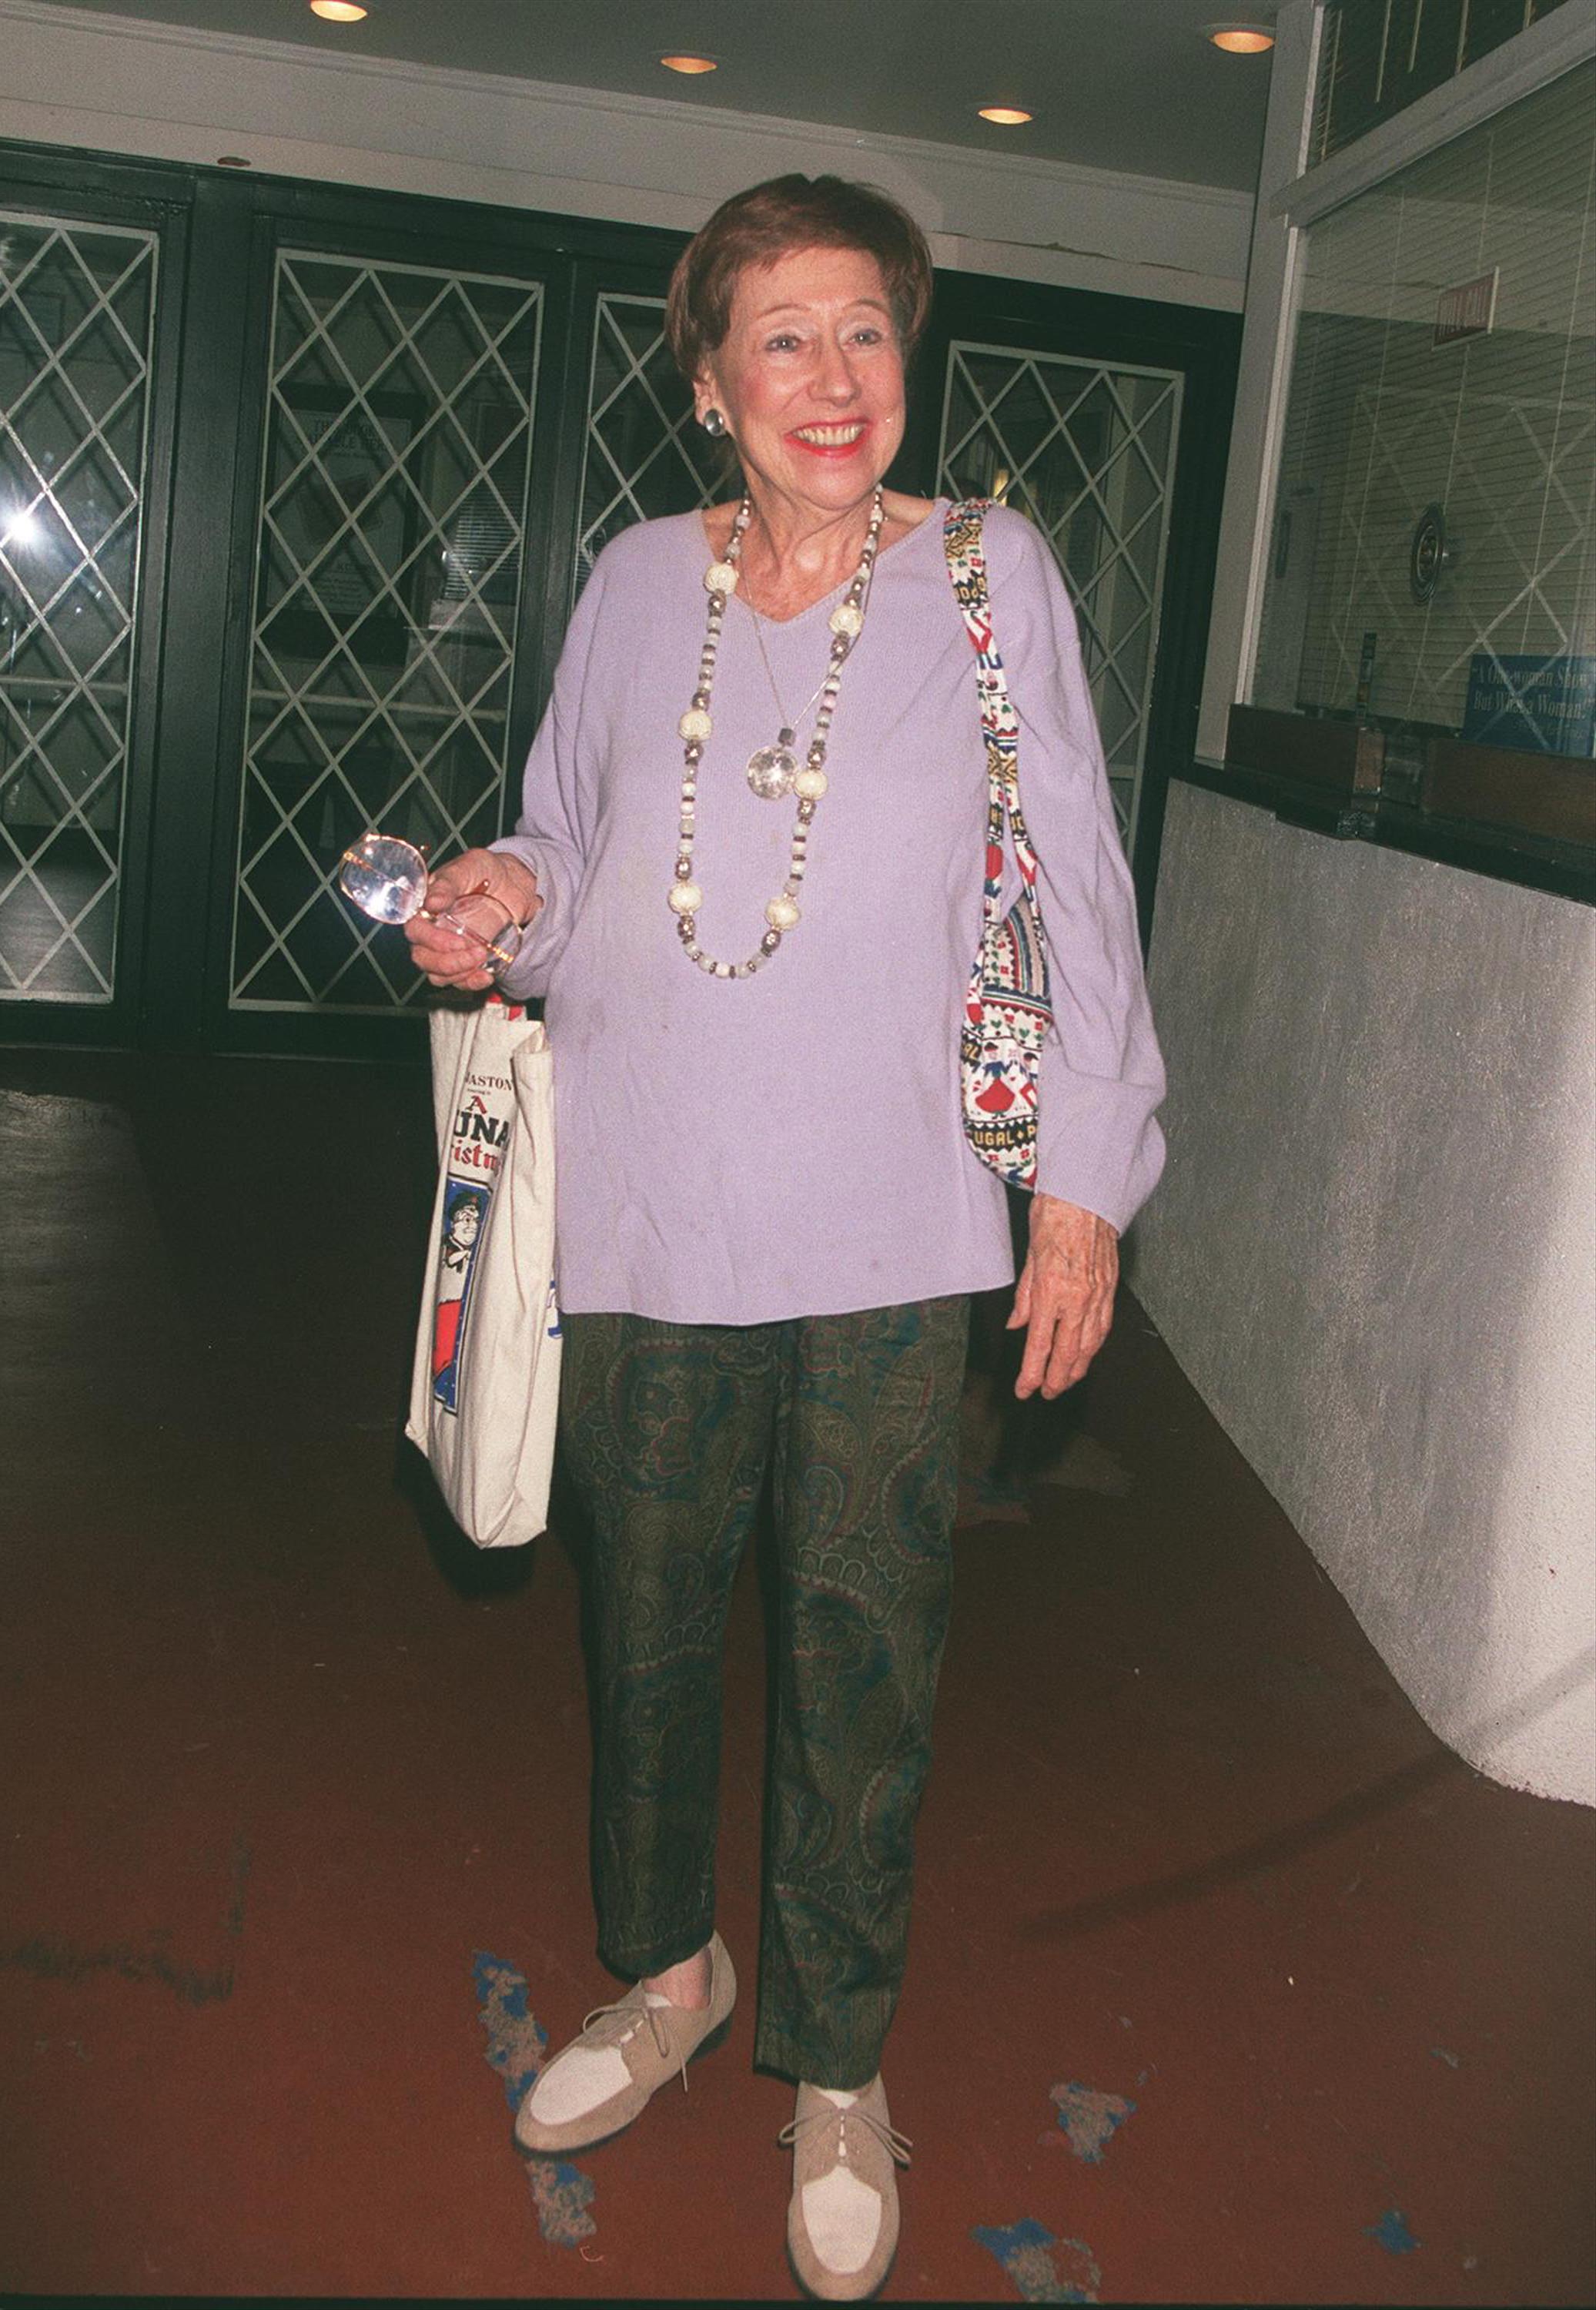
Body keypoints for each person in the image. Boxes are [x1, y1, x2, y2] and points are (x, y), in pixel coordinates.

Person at [406, 173, 1165, 2302]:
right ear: (708, 378)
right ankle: (664, 1973)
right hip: (646, 1201)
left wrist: (1082, 1179)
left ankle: (834, 2063)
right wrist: (497, 904)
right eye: (782, 337)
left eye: (865, 333)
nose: (830, 379)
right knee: (640, 1620)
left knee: (855, 1652)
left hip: (890, 1222)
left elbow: (1072, 891)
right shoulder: (637, 584)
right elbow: (564, 840)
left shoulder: (992, 580)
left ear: (902, 361)